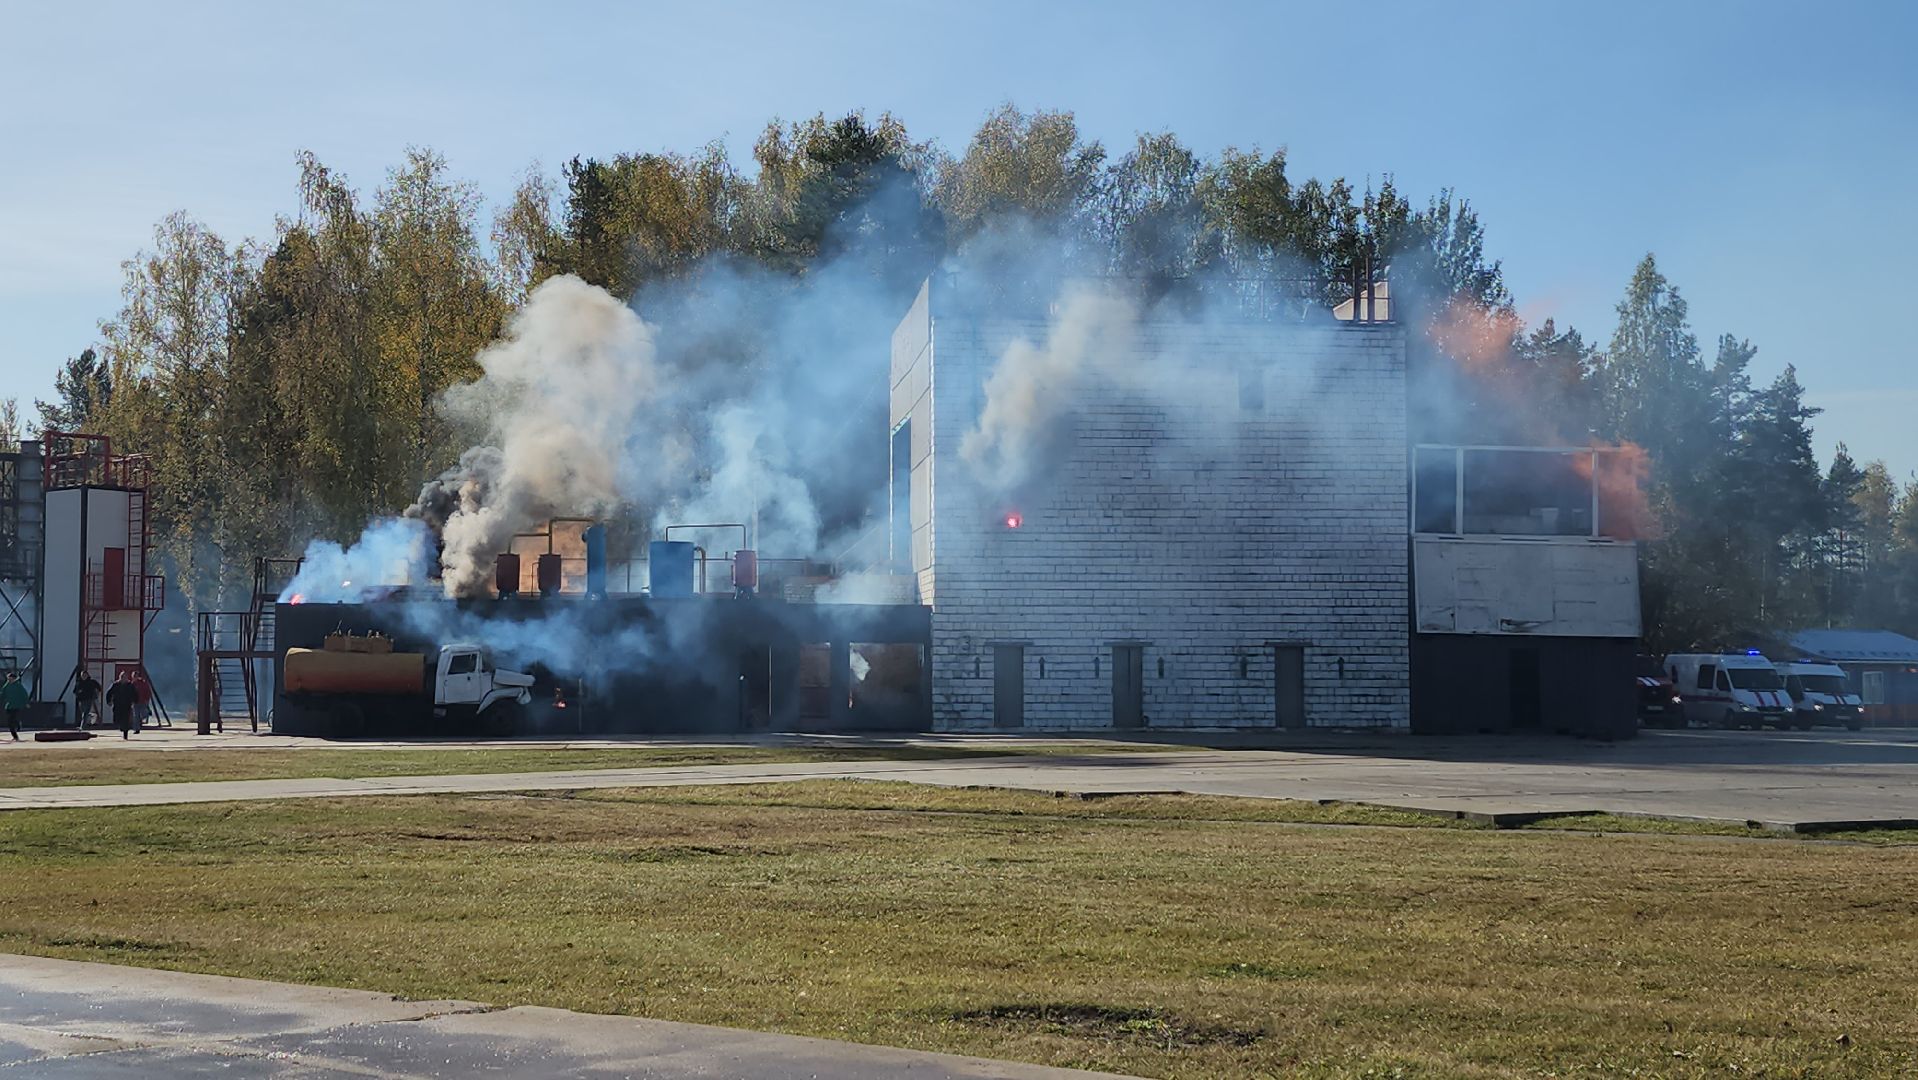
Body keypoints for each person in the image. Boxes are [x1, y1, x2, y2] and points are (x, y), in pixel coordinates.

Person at [105, 672, 138, 740]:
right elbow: (109, 693)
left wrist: (135, 701)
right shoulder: (115, 685)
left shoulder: (130, 685)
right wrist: (109, 701)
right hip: (117, 704)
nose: (124, 679)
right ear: (120, 677)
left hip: (127, 704)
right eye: (122, 677)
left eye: (125, 677)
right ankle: (121, 726)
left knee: (125, 720)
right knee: (117, 717)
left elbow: (134, 693)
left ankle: (125, 734)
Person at [2, 672, 27, 740]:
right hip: (9, 706)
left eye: (10, 679)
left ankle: (15, 735)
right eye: (8, 679)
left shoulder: (18, 686)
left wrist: (26, 702)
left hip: (16, 706)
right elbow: (2, 693)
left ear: (14, 679)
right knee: (10, 721)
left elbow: (24, 694)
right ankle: (17, 724)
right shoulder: (7, 685)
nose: (9, 680)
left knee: (11, 721)